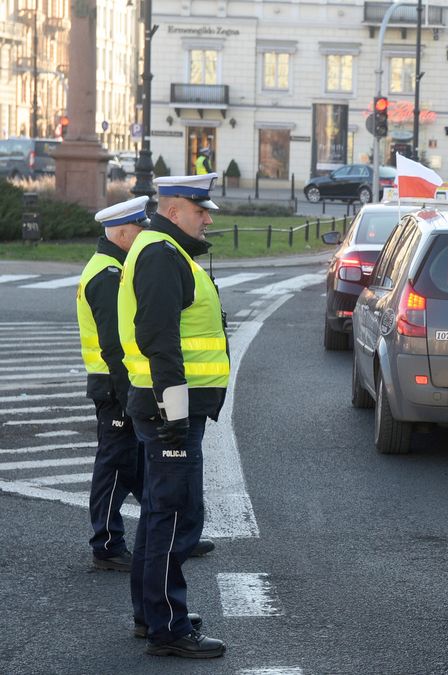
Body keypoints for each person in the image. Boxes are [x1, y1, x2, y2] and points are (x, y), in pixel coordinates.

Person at [118, 173, 227, 658]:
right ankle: (168, 627)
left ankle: (152, 613)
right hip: (170, 409)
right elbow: (158, 336)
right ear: (175, 209)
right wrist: (175, 412)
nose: (207, 219)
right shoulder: (161, 254)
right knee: (176, 515)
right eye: (200, 210)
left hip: (164, 404)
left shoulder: (164, 250)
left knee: (162, 513)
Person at [80, 197, 148, 572]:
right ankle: (106, 544)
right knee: (115, 464)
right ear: (122, 234)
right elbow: (113, 345)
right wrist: (129, 396)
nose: (143, 235)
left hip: (118, 383)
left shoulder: (111, 267)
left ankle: (169, 529)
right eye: (139, 230)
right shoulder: (107, 275)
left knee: (136, 464)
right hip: (114, 385)